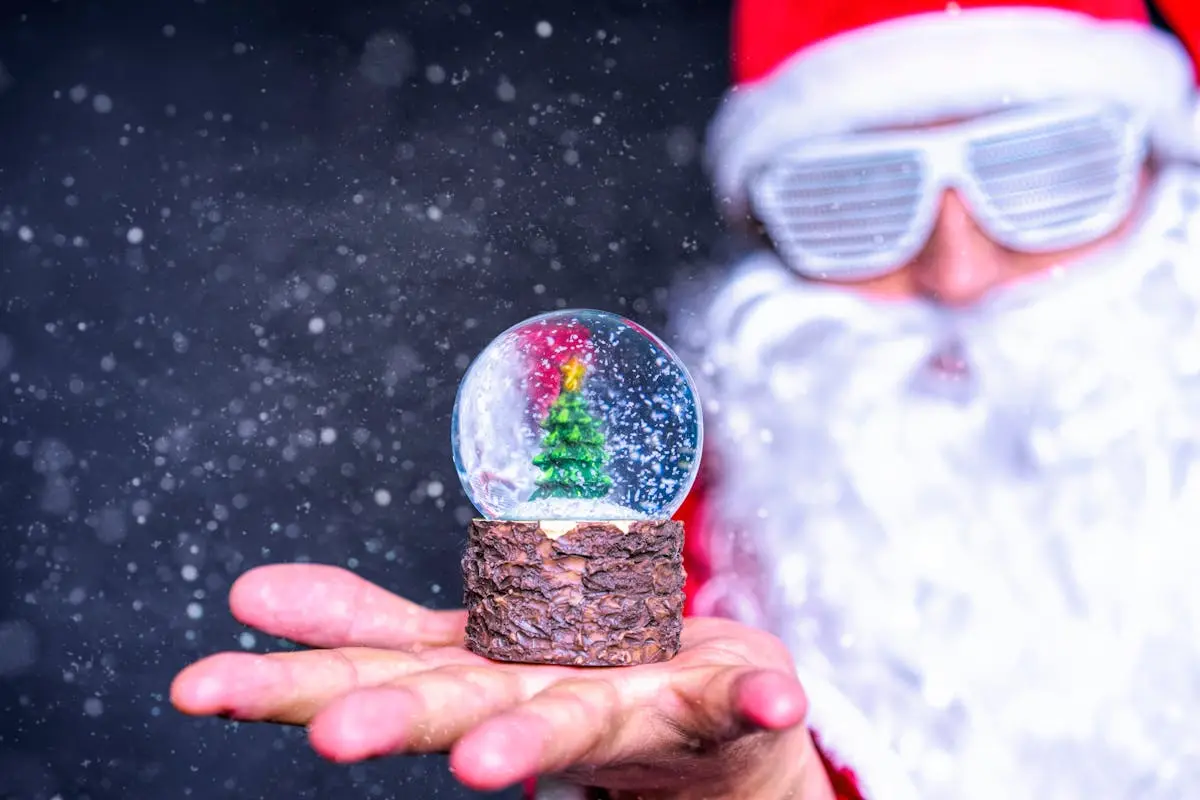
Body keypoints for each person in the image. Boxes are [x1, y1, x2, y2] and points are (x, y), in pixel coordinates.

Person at [170, 0, 1200, 797]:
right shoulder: (667, 575)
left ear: (1164, 165)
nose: (959, 268)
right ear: (765, 228)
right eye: (853, 199)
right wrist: (746, 783)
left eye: (1053, 169)